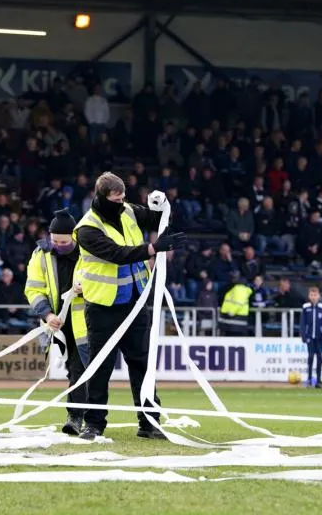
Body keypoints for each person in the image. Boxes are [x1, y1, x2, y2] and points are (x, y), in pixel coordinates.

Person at [73, 172, 187, 441]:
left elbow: (157, 218)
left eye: (124, 197)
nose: (122, 202)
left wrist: (163, 204)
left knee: (142, 364)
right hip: (103, 305)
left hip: (135, 302)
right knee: (100, 367)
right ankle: (94, 424)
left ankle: (149, 422)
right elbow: (116, 254)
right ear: (102, 198)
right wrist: (153, 248)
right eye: (117, 199)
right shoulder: (86, 228)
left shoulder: (128, 210)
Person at [25, 209, 89, 436]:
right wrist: (47, 314)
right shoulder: (40, 254)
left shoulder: (89, 250)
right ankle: (82, 416)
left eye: (64, 241)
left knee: (79, 369)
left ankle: (77, 417)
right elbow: (33, 288)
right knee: (74, 370)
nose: (59, 246)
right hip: (59, 323)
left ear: (74, 236)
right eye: (55, 241)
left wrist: (87, 288)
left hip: (86, 322)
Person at [300, 286, 322, 389]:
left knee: (320, 358)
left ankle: (319, 381)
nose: (313, 297)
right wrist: (304, 336)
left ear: (319, 296)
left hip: (319, 338)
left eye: (315, 295)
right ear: (308, 296)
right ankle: (309, 379)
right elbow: (303, 323)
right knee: (310, 357)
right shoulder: (305, 307)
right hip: (309, 337)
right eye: (311, 295)